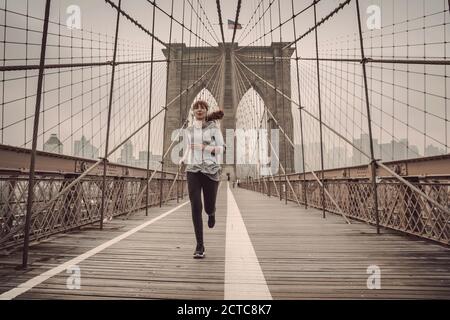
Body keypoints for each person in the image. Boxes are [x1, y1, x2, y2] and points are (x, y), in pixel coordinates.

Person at [179, 100, 225, 259]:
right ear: (193, 112)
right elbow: (187, 149)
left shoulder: (214, 128)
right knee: (196, 207)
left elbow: (221, 149)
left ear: (206, 111)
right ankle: (200, 246)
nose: (199, 110)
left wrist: (204, 148)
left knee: (208, 206)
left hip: (211, 171)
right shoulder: (189, 130)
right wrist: (184, 158)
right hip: (193, 170)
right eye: (196, 108)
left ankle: (211, 213)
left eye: (202, 108)